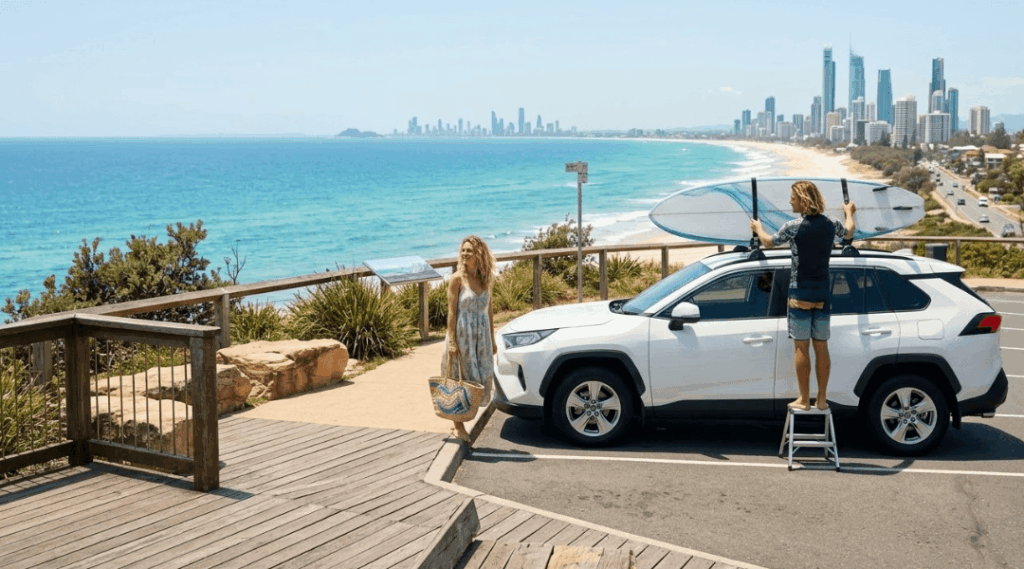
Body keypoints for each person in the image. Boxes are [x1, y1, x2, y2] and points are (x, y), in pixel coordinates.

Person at [750, 181, 856, 411]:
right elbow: (848, 232)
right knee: (821, 348)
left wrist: (757, 228)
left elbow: (770, 242)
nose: (790, 201)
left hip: (800, 295)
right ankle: (822, 399)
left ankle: (804, 399)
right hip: (823, 295)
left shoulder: (794, 226)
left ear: (804, 200)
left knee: (801, 348)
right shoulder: (830, 224)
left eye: (793, 198)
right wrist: (849, 212)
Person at [443, 235, 498, 443]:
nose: (465, 254)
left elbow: (489, 311)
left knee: (481, 379)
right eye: (463, 250)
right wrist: (452, 342)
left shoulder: (485, 279)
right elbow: (451, 312)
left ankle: (463, 418)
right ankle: (458, 425)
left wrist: (492, 339)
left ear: (479, 254)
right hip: (462, 336)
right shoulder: (457, 279)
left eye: (469, 251)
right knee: (461, 381)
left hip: (481, 338)